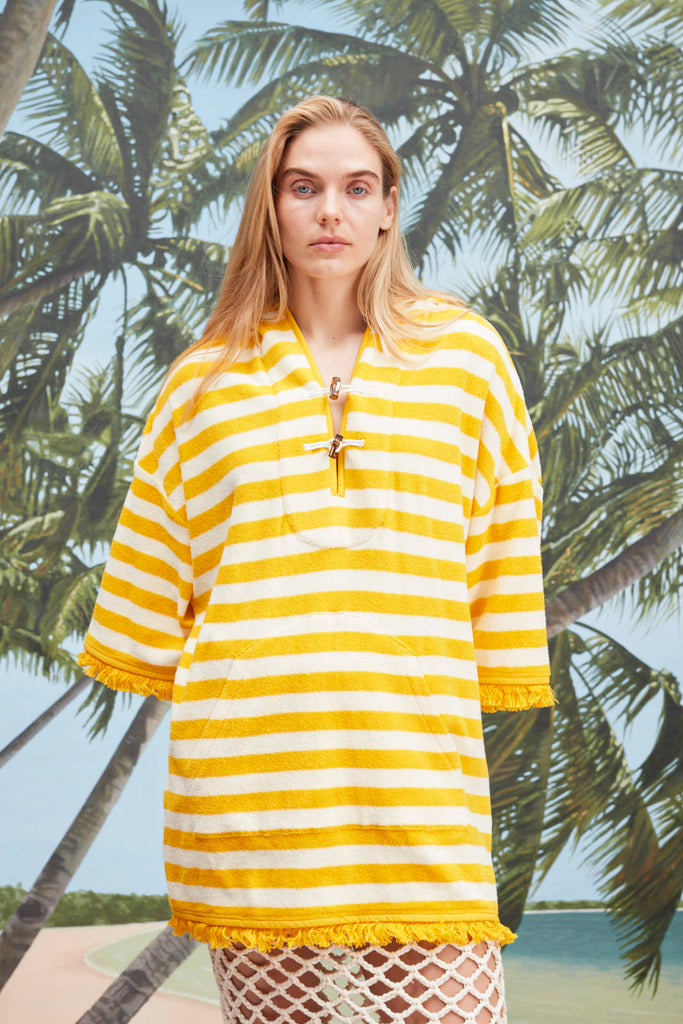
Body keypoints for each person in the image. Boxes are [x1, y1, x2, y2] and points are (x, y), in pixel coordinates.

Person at [79, 95, 553, 1024]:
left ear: (387, 208)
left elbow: (502, 550)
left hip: (417, 782)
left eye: (354, 186)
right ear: (271, 206)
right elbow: (149, 590)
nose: (328, 210)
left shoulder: (466, 361)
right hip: (254, 794)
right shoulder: (200, 385)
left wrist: (488, 677)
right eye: (303, 187)